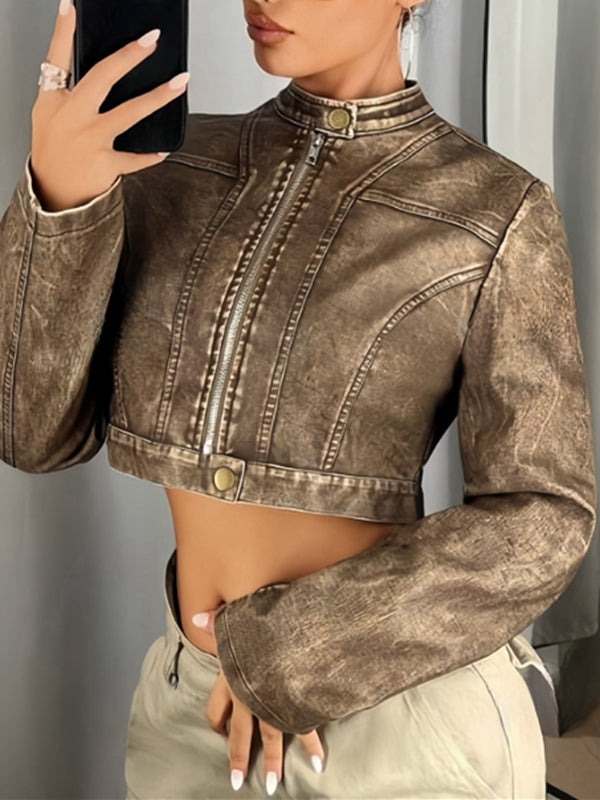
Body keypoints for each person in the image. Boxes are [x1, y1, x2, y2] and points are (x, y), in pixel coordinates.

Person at [0, 0, 596, 798]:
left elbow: (545, 516)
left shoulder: (495, 209)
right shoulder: (166, 166)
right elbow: (31, 434)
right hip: (190, 709)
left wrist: (296, 655)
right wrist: (58, 198)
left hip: (396, 720)